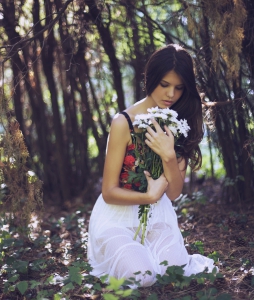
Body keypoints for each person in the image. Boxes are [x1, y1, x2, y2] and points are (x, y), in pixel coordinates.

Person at [87, 44, 216, 288]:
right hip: (116, 218)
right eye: (164, 84)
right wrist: (148, 196)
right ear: (151, 79)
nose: (171, 94)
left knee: (173, 272)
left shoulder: (179, 123)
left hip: (158, 217)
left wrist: (168, 156)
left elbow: (174, 193)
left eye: (179, 88)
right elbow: (108, 192)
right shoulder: (123, 122)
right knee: (142, 277)